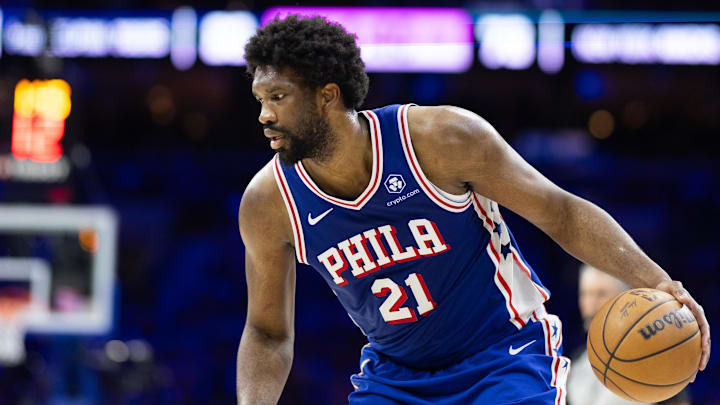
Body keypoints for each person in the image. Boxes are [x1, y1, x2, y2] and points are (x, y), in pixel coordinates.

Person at [235, 15, 710, 405]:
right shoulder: (268, 203)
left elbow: (560, 213)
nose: (264, 115)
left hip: (504, 357)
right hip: (395, 378)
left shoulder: (439, 139)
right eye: (260, 99)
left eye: (278, 98)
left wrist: (659, 281)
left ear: (327, 95)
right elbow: (266, 331)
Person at [567, 265, 692, 405]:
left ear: (623, 301)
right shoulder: (575, 362)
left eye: (601, 294)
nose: (591, 303)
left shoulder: (657, 356)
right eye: (585, 294)